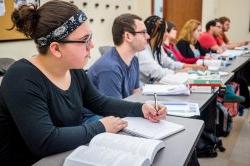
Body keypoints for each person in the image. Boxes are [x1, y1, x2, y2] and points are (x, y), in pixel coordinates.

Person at [0, 1, 166, 165]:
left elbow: (100, 102)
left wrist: (141, 108)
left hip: (68, 155)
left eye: (90, 37)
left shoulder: (73, 70)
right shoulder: (21, 78)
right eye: (84, 40)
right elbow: (45, 141)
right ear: (56, 49)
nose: (92, 45)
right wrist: (100, 127)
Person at [87, 14, 149, 99]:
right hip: (108, 112)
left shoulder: (134, 60)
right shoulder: (109, 68)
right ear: (128, 36)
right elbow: (113, 111)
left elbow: (136, 95)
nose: (148, 36)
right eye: (143, 33)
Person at [137, 16, 205, 84]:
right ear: (154, 31)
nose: (167, 34)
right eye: (165, 31)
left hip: (155, 85)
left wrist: (191, 66)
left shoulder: (158, 47)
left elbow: (169, 63)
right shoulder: (142, 49)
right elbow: (156, 72)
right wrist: (179, 72)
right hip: (146, 88)